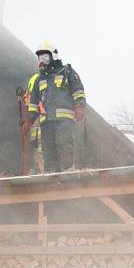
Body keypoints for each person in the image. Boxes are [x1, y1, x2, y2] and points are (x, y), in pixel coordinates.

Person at [28, 40, 86, 172]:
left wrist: (80, 106)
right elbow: (33, 102)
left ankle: (68, 174)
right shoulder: (39, 79)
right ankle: (51, 178)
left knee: (64, 145)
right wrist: (30, 119)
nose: (41, 61)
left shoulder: (67, 72)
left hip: (64, 120)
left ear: (53, 56)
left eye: (45, 57)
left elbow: (78, 90)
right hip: (46, 122)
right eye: (40, 58)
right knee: (48, 150)